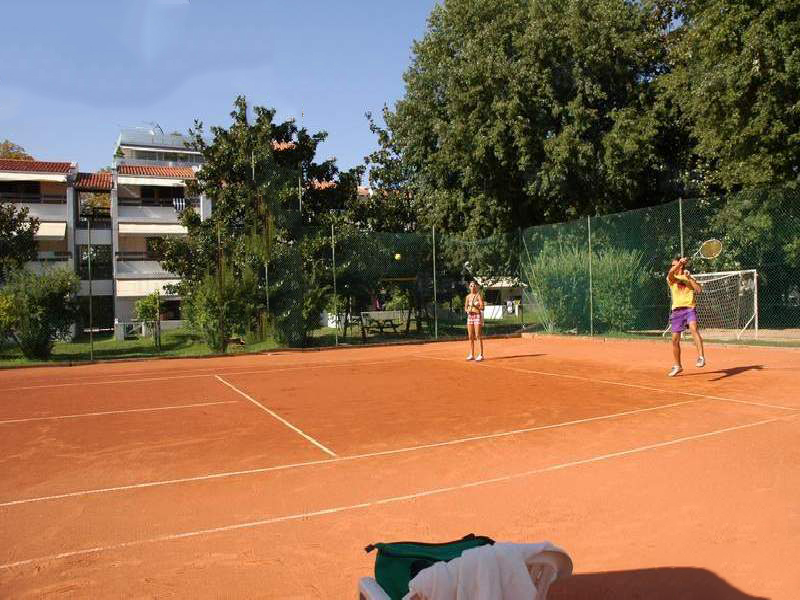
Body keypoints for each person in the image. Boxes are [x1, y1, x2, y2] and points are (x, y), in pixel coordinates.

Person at [667, 256, 706, 377]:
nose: (672, 267)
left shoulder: (689, 276)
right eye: (673, 265)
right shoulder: (671, 278)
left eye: (674, 265)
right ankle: (678, 366)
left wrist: (689, 278)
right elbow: (670, 273)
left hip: (689, 308)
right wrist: (679, 264)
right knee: (674, 340)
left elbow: (699, 290)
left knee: (693, 329)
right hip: (677, 311)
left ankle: (701, 357)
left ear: (681, 266)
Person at [464, 280, 485, 361]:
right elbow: (465, 307)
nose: (473, 287)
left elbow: (482, 307)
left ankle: (481, 355)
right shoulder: (468, 297)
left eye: (474, 285)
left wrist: (476, 306)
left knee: (477, 335)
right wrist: (467, 310)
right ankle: (471, 354)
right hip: (470, 317)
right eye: (471, 285)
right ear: (469, 287)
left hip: (477, 316)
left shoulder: (478, 296)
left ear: (476, 287)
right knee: (470, 336)